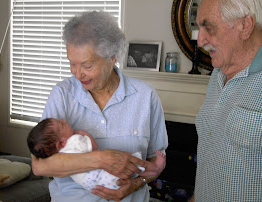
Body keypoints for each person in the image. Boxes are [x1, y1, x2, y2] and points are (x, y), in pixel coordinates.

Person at [31, 11, 168, 202]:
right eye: (72, 64)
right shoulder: (62, 94)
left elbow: (156, 159)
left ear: (112, 58)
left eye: (87, 65)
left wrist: (135, 184)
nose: (78, 75)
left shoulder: (146, 96)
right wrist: (101, 159)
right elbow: (39, 166)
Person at [192, 0, 262, 201]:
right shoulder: (217, 74)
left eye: (209, 28)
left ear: (245, 25)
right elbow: (210, 153)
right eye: (199, 27)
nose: (200, 40)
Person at [27, 118, 166, 191]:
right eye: (61, 124)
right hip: (105, 176)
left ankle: (146, 174)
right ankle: (153, 168)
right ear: (61, 144)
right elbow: (95, 148)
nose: (63, 120)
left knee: (128, 171)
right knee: (129, 161)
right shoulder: (75, 141)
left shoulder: (56, 152)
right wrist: (85, 134)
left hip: (95, 186)